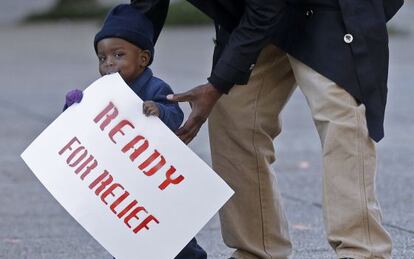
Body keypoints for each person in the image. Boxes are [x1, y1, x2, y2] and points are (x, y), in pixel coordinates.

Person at [130, 0, 404, 258]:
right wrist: (119, 70)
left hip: (328, 9)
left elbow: (267, 6)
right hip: (258, 14)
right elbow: (145, 8)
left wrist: (217, 84)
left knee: (340, 115)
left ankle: (362, 250)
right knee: (233, 115)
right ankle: (257, 250)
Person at [63, 4, 207, 259]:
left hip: (155, 172)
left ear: (143, 58)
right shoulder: (102, 91)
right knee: (135, 228)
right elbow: (81, 125)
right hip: (123, 177)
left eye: (118, 55)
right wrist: (72, 106)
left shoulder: (154, 87)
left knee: (171, 225)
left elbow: (176, 115)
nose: (108, 63)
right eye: (102, 58)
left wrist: (160, 110)